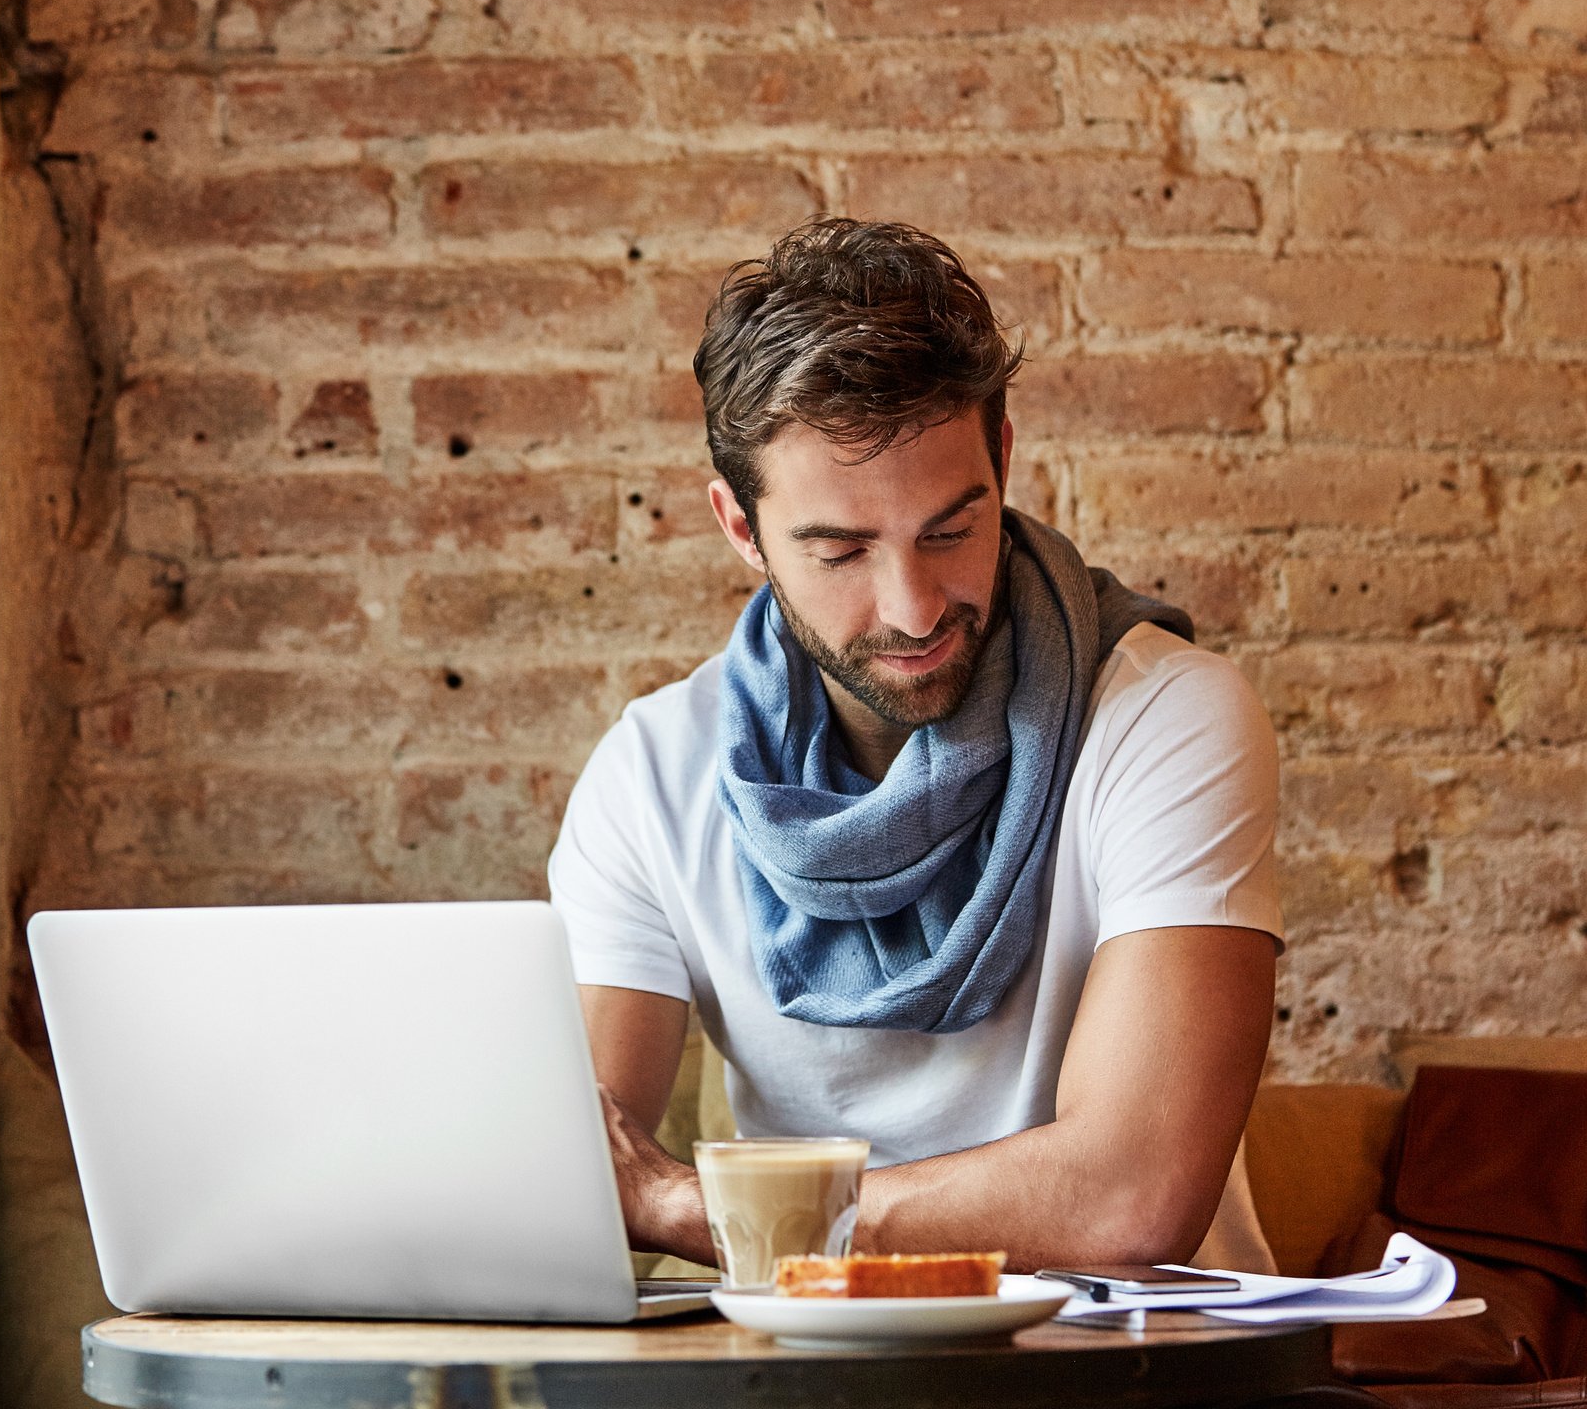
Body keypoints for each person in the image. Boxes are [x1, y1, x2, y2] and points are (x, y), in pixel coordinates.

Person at [548, 218, 1282, 1271]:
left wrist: (695, 1207)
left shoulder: (1165, 717)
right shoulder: (653, 773)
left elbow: (1130, 1200)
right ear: (740, 527)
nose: (916, 608)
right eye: (842, 549)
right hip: (808, 1378)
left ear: (1005, 459)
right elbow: (580, 1173)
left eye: (949, 528)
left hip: (1132, 1373)